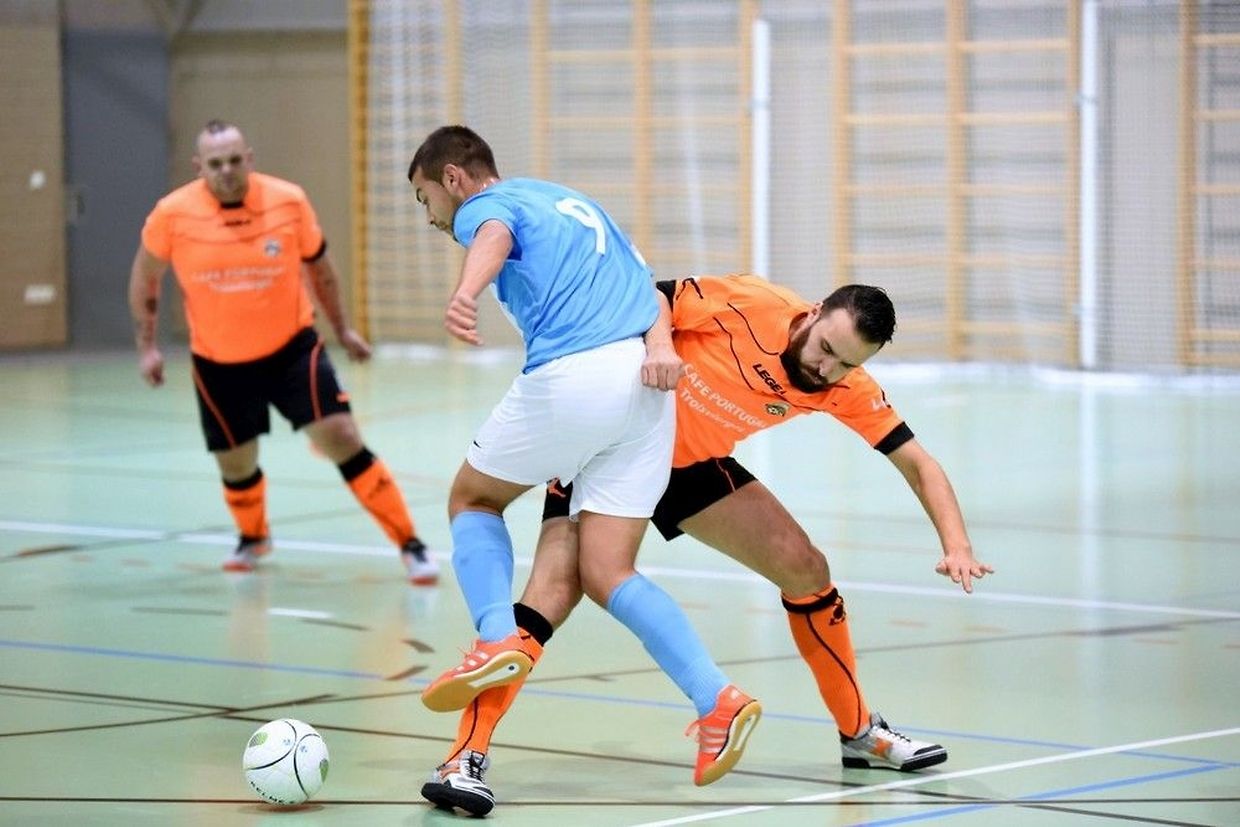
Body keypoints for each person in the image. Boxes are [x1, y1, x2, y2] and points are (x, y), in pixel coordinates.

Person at [421, 274, 996, 816]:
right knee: (551, 594)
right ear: (814, 312)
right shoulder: (751, 303)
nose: (826, 369)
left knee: (806, 570)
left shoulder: (845, 386)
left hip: (691, 466)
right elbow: (655, 296)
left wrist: (957, 544)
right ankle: (464, 760)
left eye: (846, 363)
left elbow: (918, 463)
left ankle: (859, 732)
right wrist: (661, 346)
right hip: (616, 443)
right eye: (826, 348)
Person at [406, 126, 763, 803]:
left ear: (453, 178)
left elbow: (491, 236)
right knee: (607, 570)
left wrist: (466, 291)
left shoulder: (488, 204)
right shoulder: (572, 203)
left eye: (427, 200)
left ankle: (495, 639)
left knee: (473, 499)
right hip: (647, 393)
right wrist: (659, 347)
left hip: (577, 378)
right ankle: (716, 697)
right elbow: (647, 291)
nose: (431, 217)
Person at [127, 119, 438, 585]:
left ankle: (410, 543)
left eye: (235, 160)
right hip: (217, 361)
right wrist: (147, 346)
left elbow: (321, 269)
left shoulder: (287, 200)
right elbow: (146, 276)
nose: (227, 171)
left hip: (291, 350)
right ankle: (253, 537)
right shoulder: (172, 214)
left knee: (341, 436)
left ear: (249, 159)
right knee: (236, 462)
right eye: (216, 163)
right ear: (199, 167)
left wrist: (344, 329)